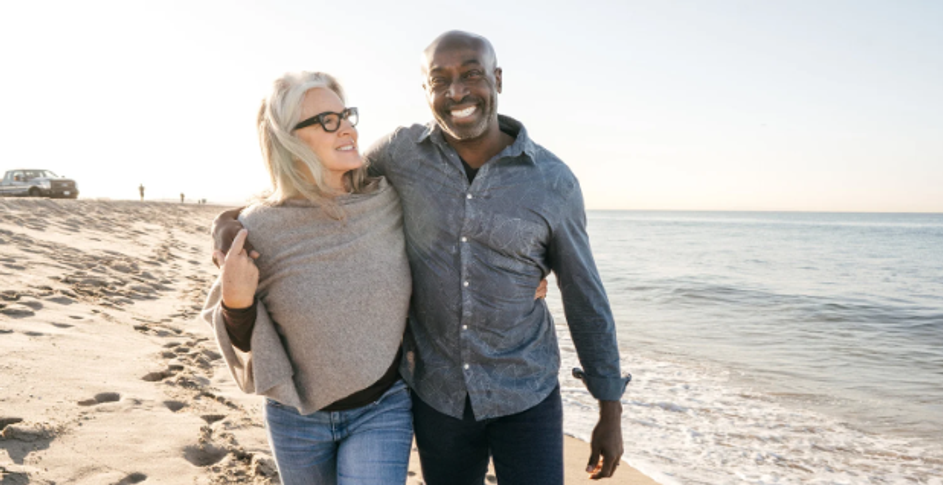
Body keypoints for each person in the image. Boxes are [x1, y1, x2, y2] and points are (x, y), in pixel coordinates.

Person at [214, 31, 628, 484]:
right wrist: (231, 220)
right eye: (440, 80)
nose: (457, 91)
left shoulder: (553, 182)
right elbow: (314, 186)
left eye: (472, 74)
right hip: (438, 397)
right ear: (425, 91)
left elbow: (585, 297)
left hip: (526, 391)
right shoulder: (399, 154)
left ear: (497, 79)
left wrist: (610, 408)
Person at [201, 71, 415, 484]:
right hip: (296, 416)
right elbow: (246, 345)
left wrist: (523, 273)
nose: (347, 127)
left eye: (345, 115)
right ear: (288, 140)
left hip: (383, 407)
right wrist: (236, 303)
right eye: (326, 121)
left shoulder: (386, 201)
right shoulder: (260, 228)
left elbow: (454, 222)